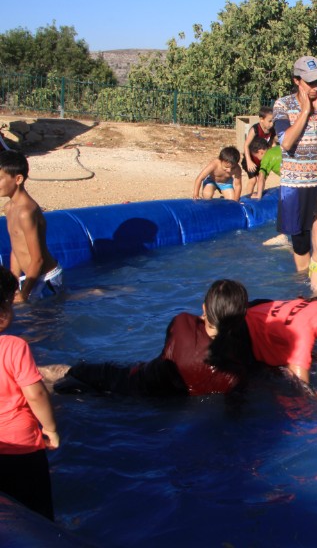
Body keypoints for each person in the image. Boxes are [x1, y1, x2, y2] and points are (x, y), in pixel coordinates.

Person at [43, 280, 253, 397]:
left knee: (70, 373)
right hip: (162, 405)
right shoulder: (235, 373)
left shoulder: (182, 324)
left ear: (205, 308)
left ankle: (30, 379)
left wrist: (205, 317)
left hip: (132, 382)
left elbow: (193, 329)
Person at [273, 56, 317, 272]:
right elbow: (286, 142)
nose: (316, 87)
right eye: (310, 82)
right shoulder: (282, 104)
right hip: (297, 184)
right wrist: (305, 110)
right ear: (297, 80)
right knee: (302, 240)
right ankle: (304, 285)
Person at [0, 266, 59, 520]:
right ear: (2, 312)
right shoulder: (14, 347)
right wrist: (51, 429)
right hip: (21, 446)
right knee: (38, 512)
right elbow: (36, 394)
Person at [0, 151, 62, 303]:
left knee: (43, 322)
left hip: (46, 277)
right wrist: (14, 286)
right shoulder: (9, 208)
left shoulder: (26, 212)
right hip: (31, 276)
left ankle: (96, 293)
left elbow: (38, 259)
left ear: (18, 179)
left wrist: (23, 294)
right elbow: (16, 249)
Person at [241, 106, 276, 197]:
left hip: (262, 158)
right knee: (253, 180)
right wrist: (249, 161)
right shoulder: (255, 129)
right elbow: (246, 145)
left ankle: (259, 196)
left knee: (262, 178)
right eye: (269, 121)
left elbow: (272, 144)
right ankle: (248, 197)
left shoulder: (272, 130)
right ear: (261, 119)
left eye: (273, 121)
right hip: (251, 158)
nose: (271, 124)